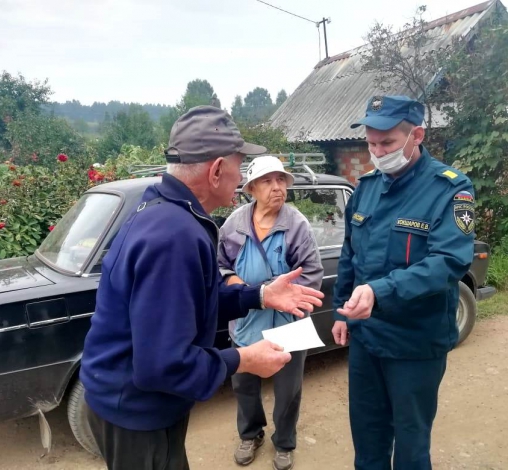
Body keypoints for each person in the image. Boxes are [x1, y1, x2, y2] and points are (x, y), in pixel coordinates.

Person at [80, 106, 325, 470]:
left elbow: (197, 301)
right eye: (240, 166)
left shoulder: (164, 207)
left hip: (130, 401)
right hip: (136, 411)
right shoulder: (174, 236)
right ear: (215, 171)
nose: (241, 177)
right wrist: (242, 359)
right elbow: (162, 366)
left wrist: (259, 295)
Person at [332, 95, 475, 470]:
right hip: (366, 338)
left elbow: (448, 262)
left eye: (388, 143)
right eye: (371, 143)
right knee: (368, 440)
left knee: (411, 448)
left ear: (417, 135)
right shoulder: (365, 187)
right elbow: (351, 255)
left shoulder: (449, 189)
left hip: (415, 343)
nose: (377, 152)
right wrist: (341, 312)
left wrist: (380, 291)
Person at [218, 155, 324, 470]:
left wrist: (286, 295)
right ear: (251, 187)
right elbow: (219, 265)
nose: (277, 187)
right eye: (267, 181)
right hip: (247, 322)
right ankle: (251, 434)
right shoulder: (234, 225)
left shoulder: (296, 224)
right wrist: (234, 283)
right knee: (244, 385)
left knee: (288, 391)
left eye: (280, 180)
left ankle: (285, 442)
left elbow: (312, 272)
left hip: (289, 324)